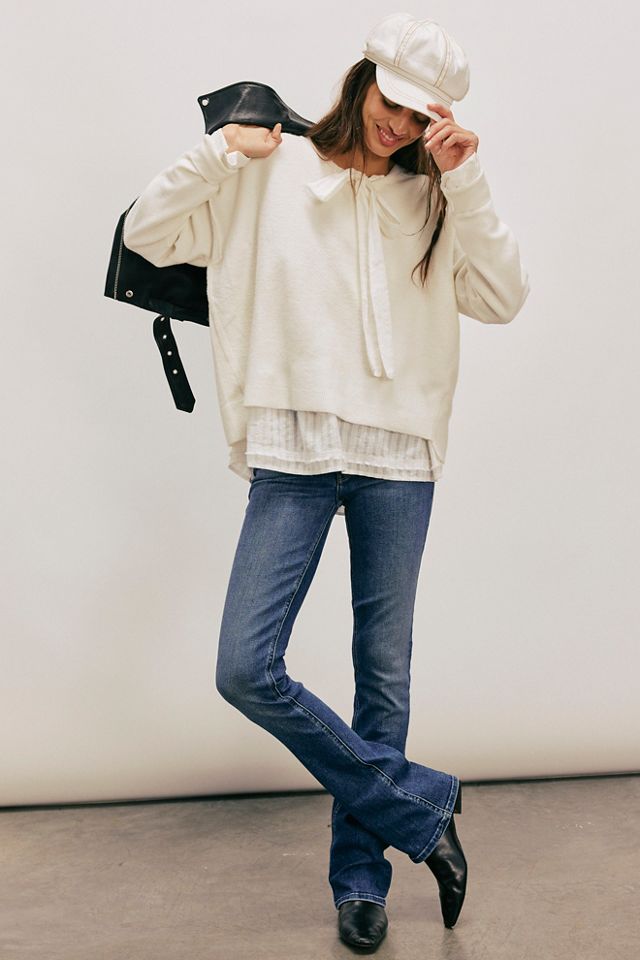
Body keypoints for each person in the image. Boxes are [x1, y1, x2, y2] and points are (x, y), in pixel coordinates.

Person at [123, 12, 530, 951]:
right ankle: (421, 806)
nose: (400, 125)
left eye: (421, 116)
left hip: (399, 457)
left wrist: (465, 179)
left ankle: (361, 883)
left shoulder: (434, 196)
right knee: (245, 667)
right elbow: (149, 232)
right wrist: (220, 152)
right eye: (394, 102)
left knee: (382, 678)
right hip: (294, 451)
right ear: (364, 78)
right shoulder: (268, 169)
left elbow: (504, 297)